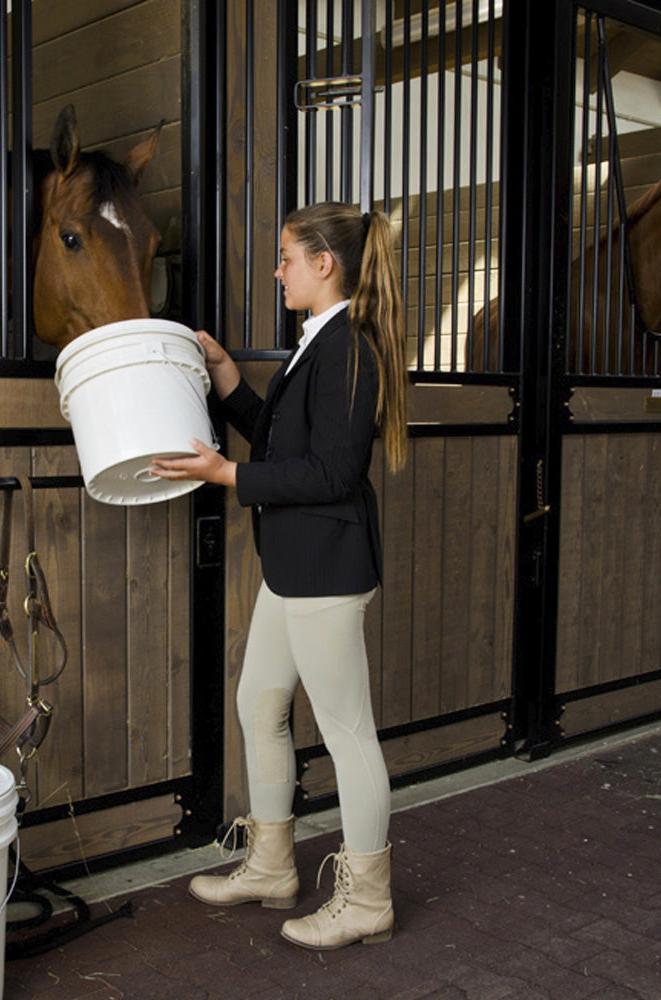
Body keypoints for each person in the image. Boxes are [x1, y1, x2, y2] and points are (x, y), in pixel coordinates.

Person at [151, 201, 407, 950]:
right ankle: (271, 866)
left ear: (324, 264)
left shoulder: (351, 342)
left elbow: (330, 470)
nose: (278, 270)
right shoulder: (322, 340)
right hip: (294, 568)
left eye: (287, 257)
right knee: (259, 705)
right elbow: (289, 440)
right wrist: (230, 383)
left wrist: (227, 473)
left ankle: (368, 901)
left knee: (347, 734)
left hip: (325, 568)